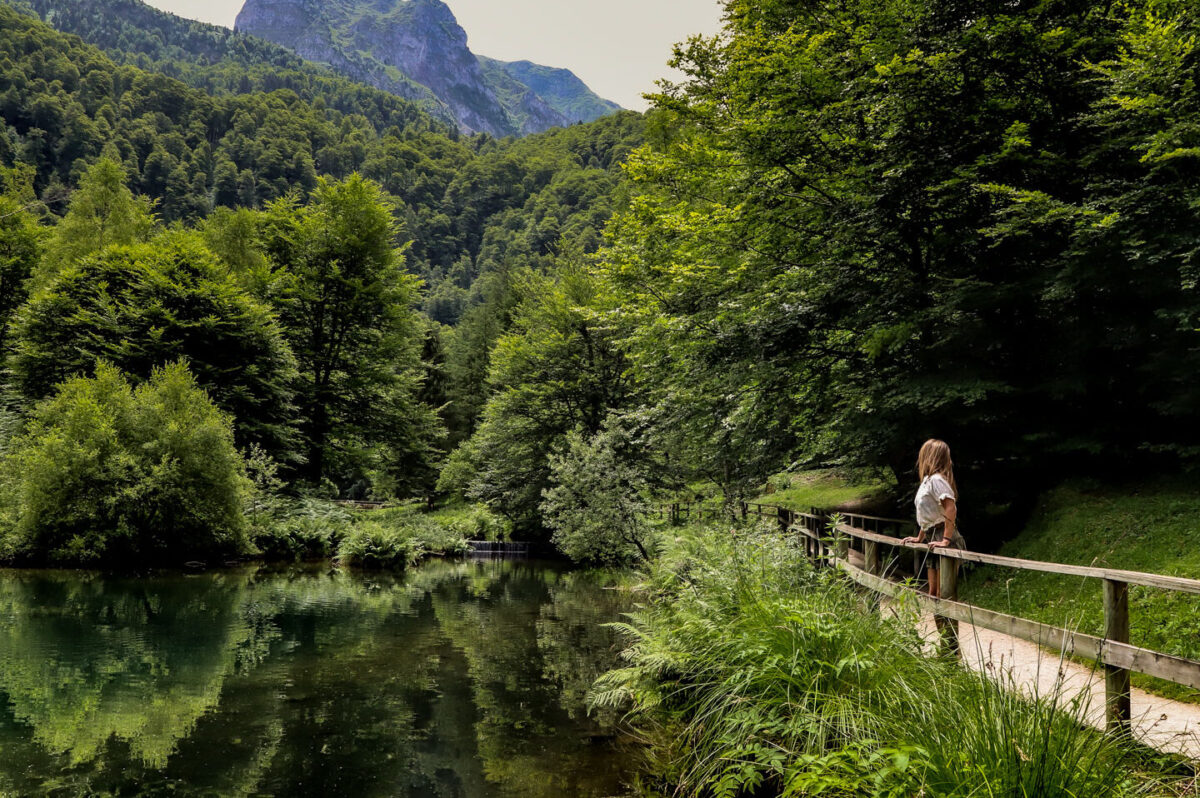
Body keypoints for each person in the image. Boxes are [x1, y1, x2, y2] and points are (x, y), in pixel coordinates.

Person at [901, 439, 965, 597]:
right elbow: (929, 514)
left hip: (942, 534)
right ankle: (943, 623)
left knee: (945, 594)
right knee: (934, 594)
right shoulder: (927, 481)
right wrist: (920, 537)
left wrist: (946, 540)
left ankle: (951, 623)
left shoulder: (937, 480)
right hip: (932, 535)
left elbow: (950, 508)